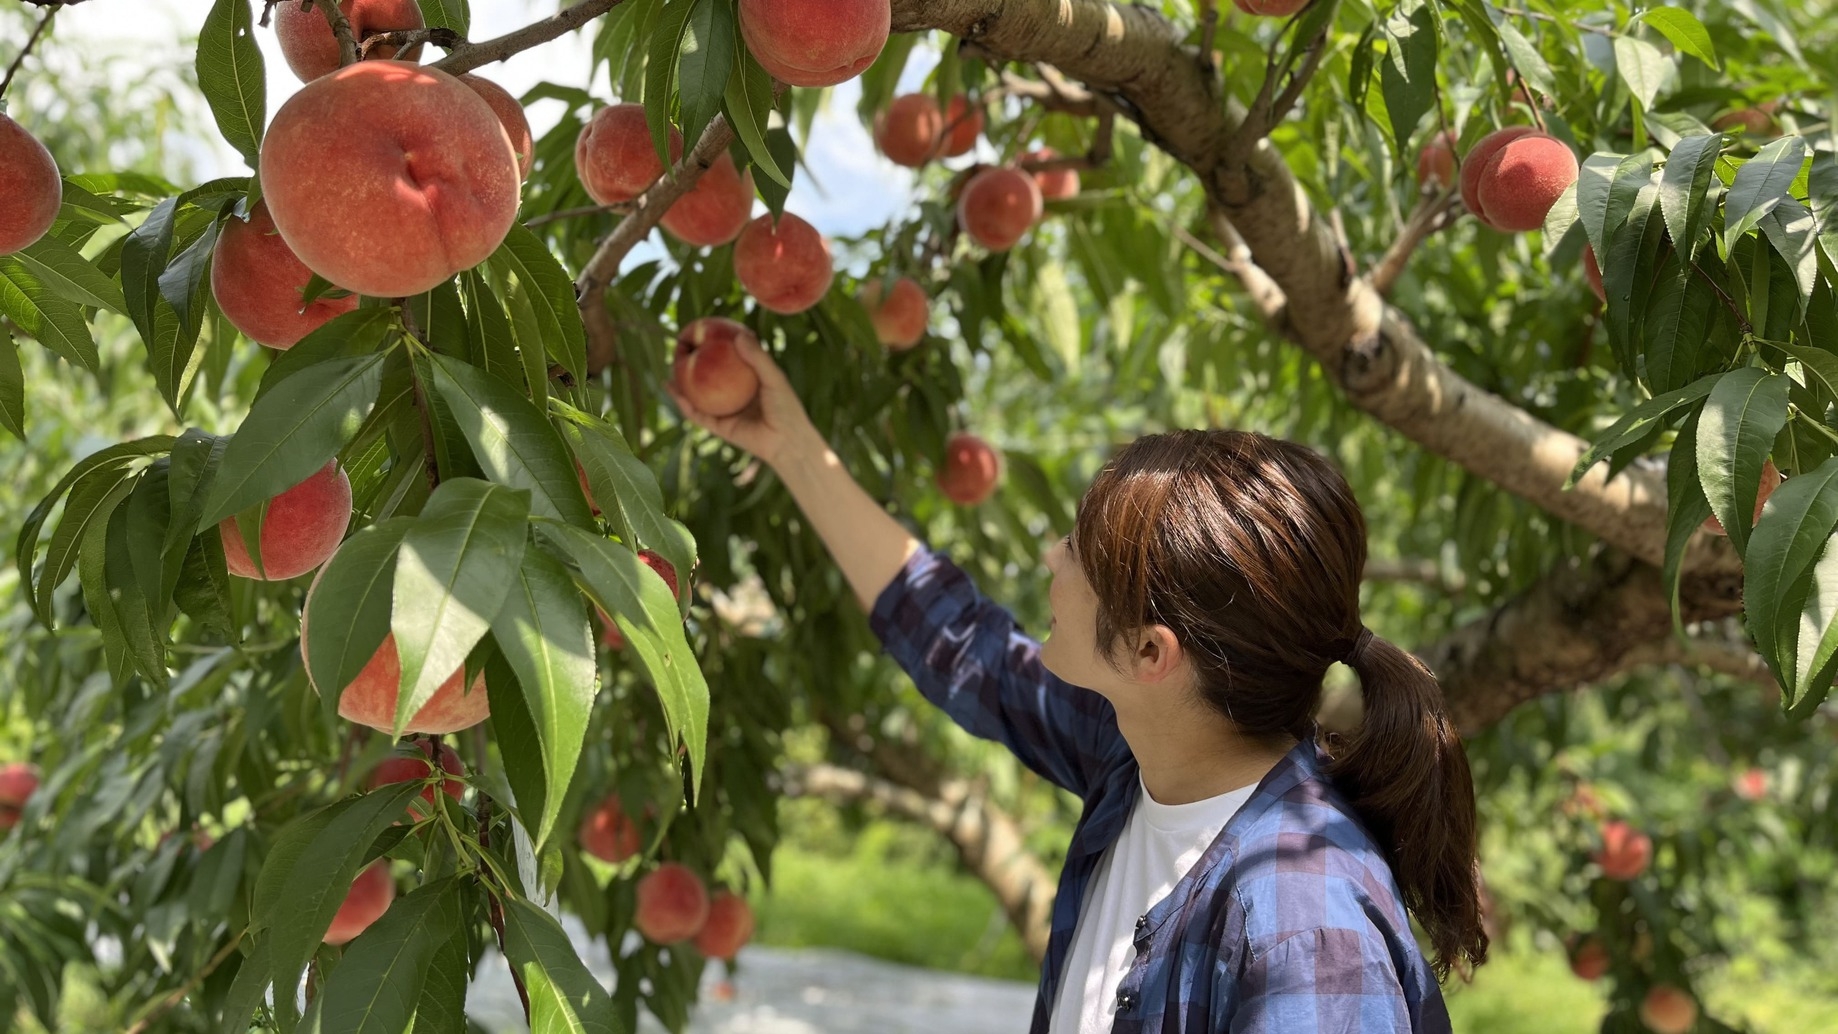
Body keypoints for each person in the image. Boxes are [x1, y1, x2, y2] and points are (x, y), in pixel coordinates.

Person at [666, 333, 1487, 1033]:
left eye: (1078, 552)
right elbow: (963, 645)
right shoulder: (1141, 759)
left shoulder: (1299, 923)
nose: (1050, 556)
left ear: (1149, 653)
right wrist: (790, 446)